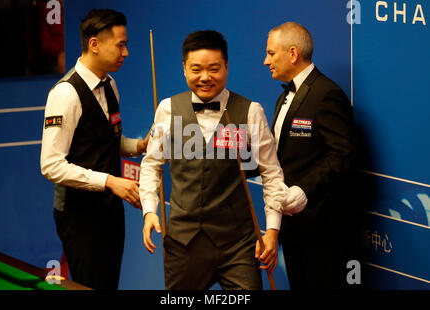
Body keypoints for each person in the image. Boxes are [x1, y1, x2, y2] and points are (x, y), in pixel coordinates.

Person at [139, 30, 303, 290]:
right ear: (184, 69)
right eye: (196, 69)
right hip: (183, 244)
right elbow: (151, 164)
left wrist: (272, 231)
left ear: (227, 67)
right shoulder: (167, 109)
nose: (205, 77)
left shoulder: (251, 112)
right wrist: (149, 210)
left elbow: (271, 174)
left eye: (214, 69)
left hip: (238, 246)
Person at [40, 9, 149, 290]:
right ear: (95, 44)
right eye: (121, 44)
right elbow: (51, 165)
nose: (126, 52)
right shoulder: (65, 94)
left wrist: (139, 146)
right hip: (79, 216)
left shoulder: (110, 84)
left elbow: (105, 141)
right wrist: (110, 181)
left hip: (110, 209)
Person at [263, 22, 357, 289]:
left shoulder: (327, 94)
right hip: (292, 227)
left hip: (322, 229)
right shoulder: (282, 98)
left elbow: (344, 154)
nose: (265, 60)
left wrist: (305, 189)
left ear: (292, 54)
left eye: (271, 53)